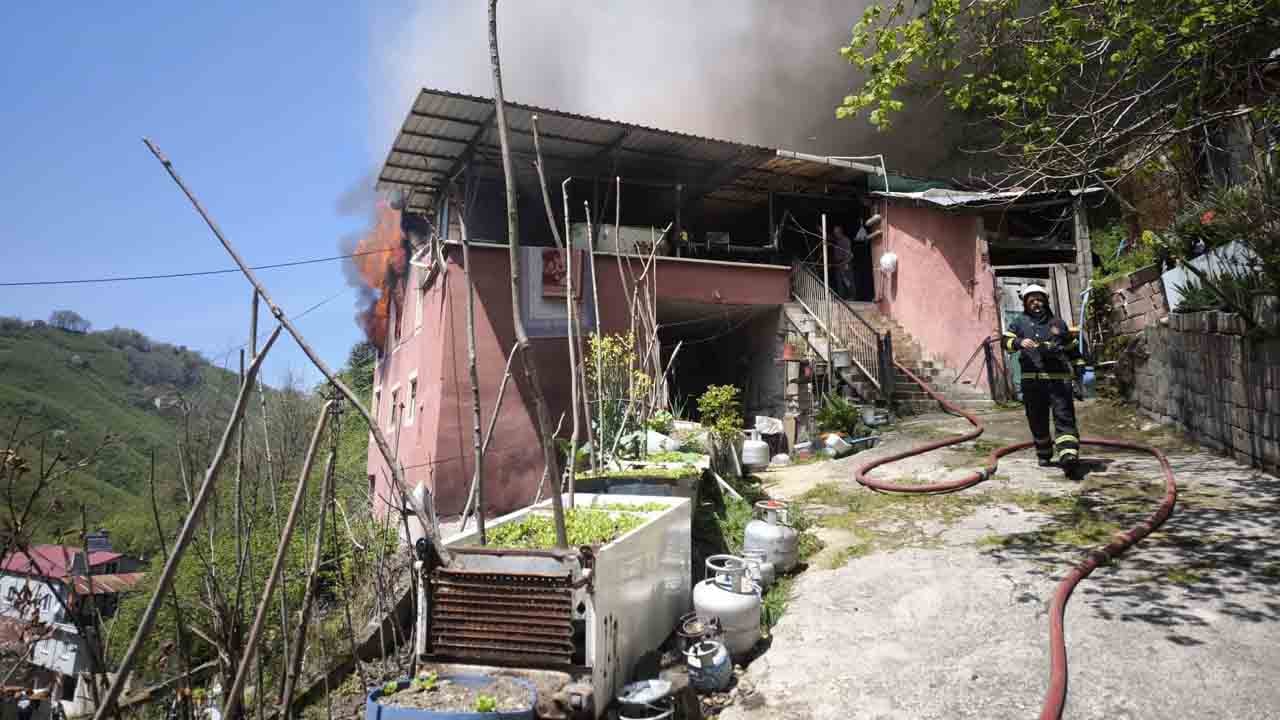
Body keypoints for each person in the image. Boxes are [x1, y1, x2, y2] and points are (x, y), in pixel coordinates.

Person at [1002, 284, 1087, 469]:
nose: (1036, 304)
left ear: (1046, 302)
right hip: (1032, 381)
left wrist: (1079, 365)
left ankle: (1069, 455)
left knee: (1064, 416)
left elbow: (1071, 347)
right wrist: (1018, 341)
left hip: (1058, 380)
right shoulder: (1019, 322)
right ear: (1026, 303)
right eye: (1032, 301)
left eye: (1039, 300)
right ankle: (1044, 453)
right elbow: (1004, 341)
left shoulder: (1057, 323)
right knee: (1037, 419)